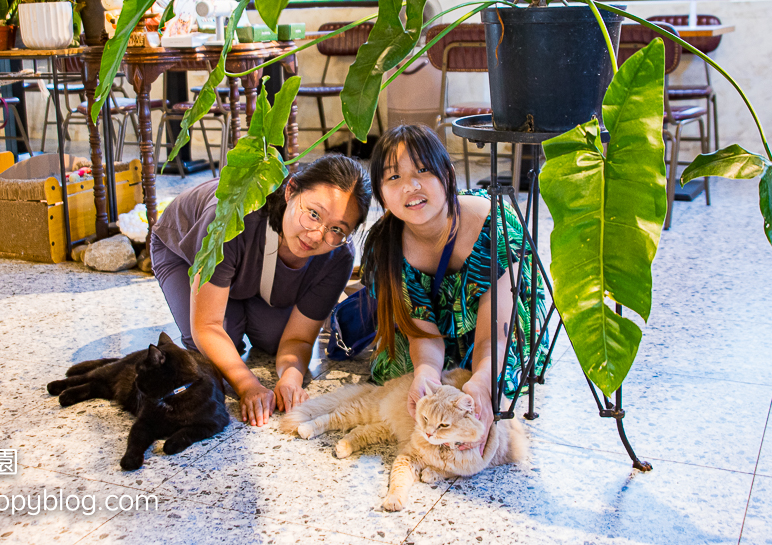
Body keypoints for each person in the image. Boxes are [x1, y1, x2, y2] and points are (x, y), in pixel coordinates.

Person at [150, 154, 371, 427]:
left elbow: (299, 339)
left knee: (275, 340)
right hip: (181, 252)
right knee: (216, 341)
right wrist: (247, 385)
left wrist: (291, 376)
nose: (316, 236)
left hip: (251, 273)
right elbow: (207, 326)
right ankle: (232, 303)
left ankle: (239, 299)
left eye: (336, 229)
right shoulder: (230, 217)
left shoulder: (338, 256)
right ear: (291, 190)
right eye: (313, 214)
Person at [360, 124, 544, 449]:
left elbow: (493, 336)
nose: (410, 186)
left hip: (497, 324)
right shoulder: (387, 246)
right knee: (405, 374)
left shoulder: (494, 229)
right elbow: (422, 333)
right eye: (393, 177)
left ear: (448, 173)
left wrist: (484, 382)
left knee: (496, 377)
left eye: (423, 170)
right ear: (381, 193)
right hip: (435, 326)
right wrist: (426, 373)